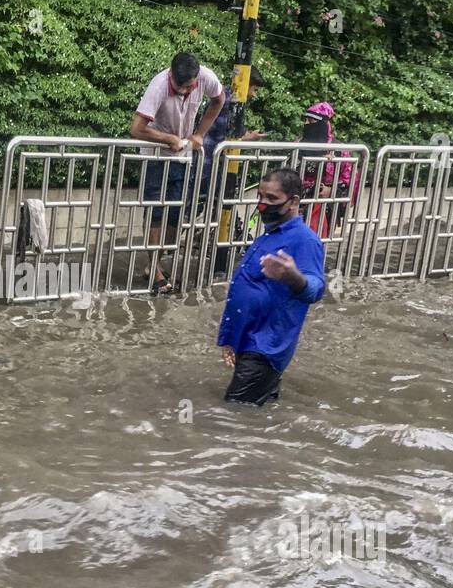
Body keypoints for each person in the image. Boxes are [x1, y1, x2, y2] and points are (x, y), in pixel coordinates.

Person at [217, 168, 326, 405]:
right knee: (257, 416)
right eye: (260, 197)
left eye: (272, 199)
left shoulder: (304, 240)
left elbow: (316, 289)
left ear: (294, 201)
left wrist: (293, 276)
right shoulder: (269, 235)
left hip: (266, 347)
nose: (263, 204)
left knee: (231, 419)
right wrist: (231, 338)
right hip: (250, 340)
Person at [130, 52, 226, 294]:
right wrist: (167, 139)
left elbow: (219, 99)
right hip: (156, 155)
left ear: (196, 78)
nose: (184, 92)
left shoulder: (206, 78)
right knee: (157, 211)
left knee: (175, 214)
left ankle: (155, 264)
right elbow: (137, 128)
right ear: (171, 75)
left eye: (188, 87)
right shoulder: (159, 85)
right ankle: (154, 268)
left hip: (183, 156)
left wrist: (200, 134)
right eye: (179, 87)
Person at [296, 102, 358, 238]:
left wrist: (331, 191)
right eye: (305, 120)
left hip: (323, 208)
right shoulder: (298, 145)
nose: (306, 124)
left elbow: (350, 183)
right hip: (296, 203)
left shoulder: (339, 151)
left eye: (311, 121)